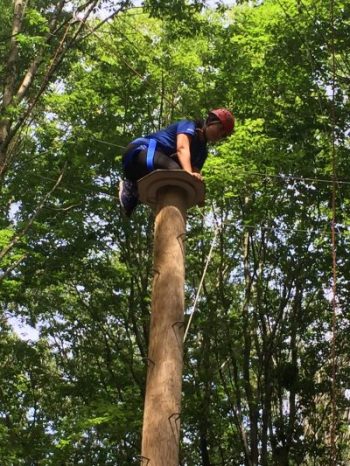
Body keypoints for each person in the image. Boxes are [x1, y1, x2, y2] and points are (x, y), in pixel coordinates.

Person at [118, 108, 235, 216]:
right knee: (177, 172)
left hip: (153, 163)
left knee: (178, 181)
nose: (220, 135)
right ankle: (132, 185)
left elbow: (195, 176)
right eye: (220, 129)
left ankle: (132, 188)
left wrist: (199, 194)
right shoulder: (189, 126)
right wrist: (188, 175)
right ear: (211, 121)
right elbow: (182, 148)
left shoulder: (202, 152)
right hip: (140, 151)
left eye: (223, 135)